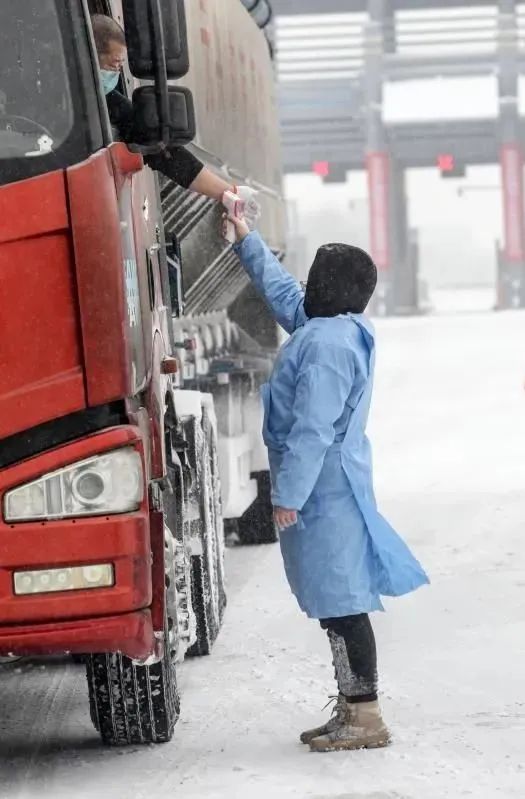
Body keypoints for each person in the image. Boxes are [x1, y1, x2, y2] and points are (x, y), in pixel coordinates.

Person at [227, 212, 429, 753]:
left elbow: (313, 429)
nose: (305, 286)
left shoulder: (327, 346)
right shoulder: (329, 327)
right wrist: (246, 239)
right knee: (333, 598)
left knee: (343, 600)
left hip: (324, 488)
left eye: (314, 279)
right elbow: (285, 296)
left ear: (329, 290)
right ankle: (352, 706)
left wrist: (287, 494)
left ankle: (364, 715)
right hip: (327, 483)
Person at [92, 14, 257, 209]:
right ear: (90, 57)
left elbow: (163, 150)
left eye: (120, 67)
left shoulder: (112, 104)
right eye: (113, 65)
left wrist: (229, 193)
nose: (116, 75)